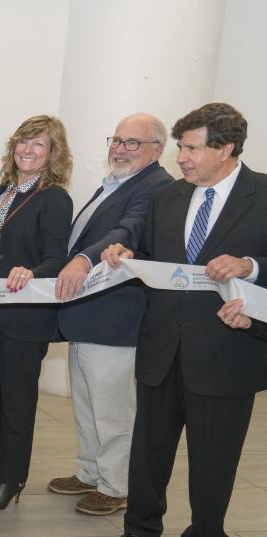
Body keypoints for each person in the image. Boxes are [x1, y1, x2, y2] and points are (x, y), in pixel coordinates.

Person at [104, 103, 267, 537]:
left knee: (215, 457)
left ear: (226, 148)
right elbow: (158, 260)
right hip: (161, 346)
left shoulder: (265, 195)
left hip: (227, 351)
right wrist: (129, 257)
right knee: (149, 449)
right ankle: (140, 528)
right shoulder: (168, 197)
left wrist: (251, 266)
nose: (181, 158)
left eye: (192, 148)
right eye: (180, 146)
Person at [49, 114, 175, 516]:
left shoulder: (157, 187)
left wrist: (83, 260)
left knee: (113, 410)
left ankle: (116, 484)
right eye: (117, 140)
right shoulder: (115, 183)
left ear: (158, 149)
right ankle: (90, 472)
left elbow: (128, 230)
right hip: (87, 314)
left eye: (133, 143)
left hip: (116, 319)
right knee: (87, 405)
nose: (120, 149)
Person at [0, 115, 73, 510]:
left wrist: (32, 272)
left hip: (23, 314)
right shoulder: (5, 190)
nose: (28, 150)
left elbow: (57, 257)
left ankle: (11, 478)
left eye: (39, 144)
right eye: (23, 142)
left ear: (53, 153)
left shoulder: (54, 197)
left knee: (17, 401)